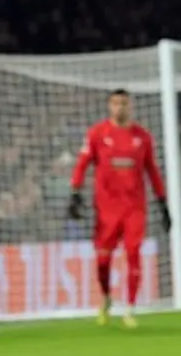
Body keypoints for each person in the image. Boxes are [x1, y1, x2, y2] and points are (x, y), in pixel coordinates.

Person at [68, 89, 169, 329]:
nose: (119, 108)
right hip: (106, 210)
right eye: (115, 103)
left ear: (130, 106)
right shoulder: (97, 133)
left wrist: (162, 202)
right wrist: (75, 193)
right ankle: (106, 298)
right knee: (103, 260)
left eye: (123, 103)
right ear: (109, 106)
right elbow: (82, 164)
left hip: (134, 208)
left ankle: (130, 309)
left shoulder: (142, 137)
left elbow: (152, 170)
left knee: (134, 253)